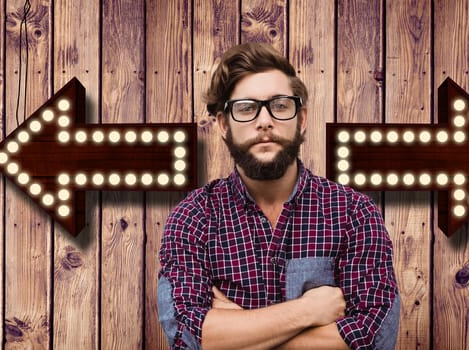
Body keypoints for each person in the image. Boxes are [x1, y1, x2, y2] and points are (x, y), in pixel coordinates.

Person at [158, 42, 400, 350]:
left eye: (280, 105)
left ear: (301, 119)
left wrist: (236, 333)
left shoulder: (353, 213)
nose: (264, 121)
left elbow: (374, 337)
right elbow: (189, 337)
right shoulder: (194, 218)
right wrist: (307, 311)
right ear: (223, 124)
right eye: (246, 108)